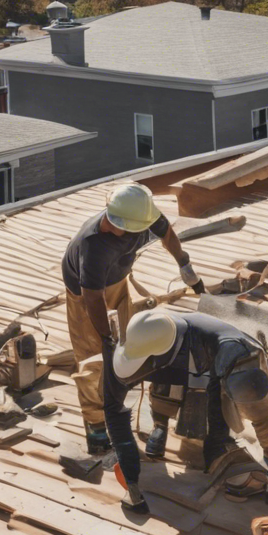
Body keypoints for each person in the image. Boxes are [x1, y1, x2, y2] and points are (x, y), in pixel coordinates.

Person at [104, 309, 268, 513]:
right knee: (170, 386)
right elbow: (113, 409)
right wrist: (129, 472)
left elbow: (263, 417)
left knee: (235, 403)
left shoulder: (237, 356)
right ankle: (160, 426)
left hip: (225, 366)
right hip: (191, 362)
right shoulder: (146, 333)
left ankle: (218, 445)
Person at [62, 184, 204, 454]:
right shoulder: (93, 245)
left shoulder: (143, 215)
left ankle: (118, 400)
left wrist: (184, 263)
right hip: (85, 297)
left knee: (131, 346)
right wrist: (106, 339)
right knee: (94, 362)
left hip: (117, 281)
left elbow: (167, 233)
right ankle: (96, 427)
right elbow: (93, 299)